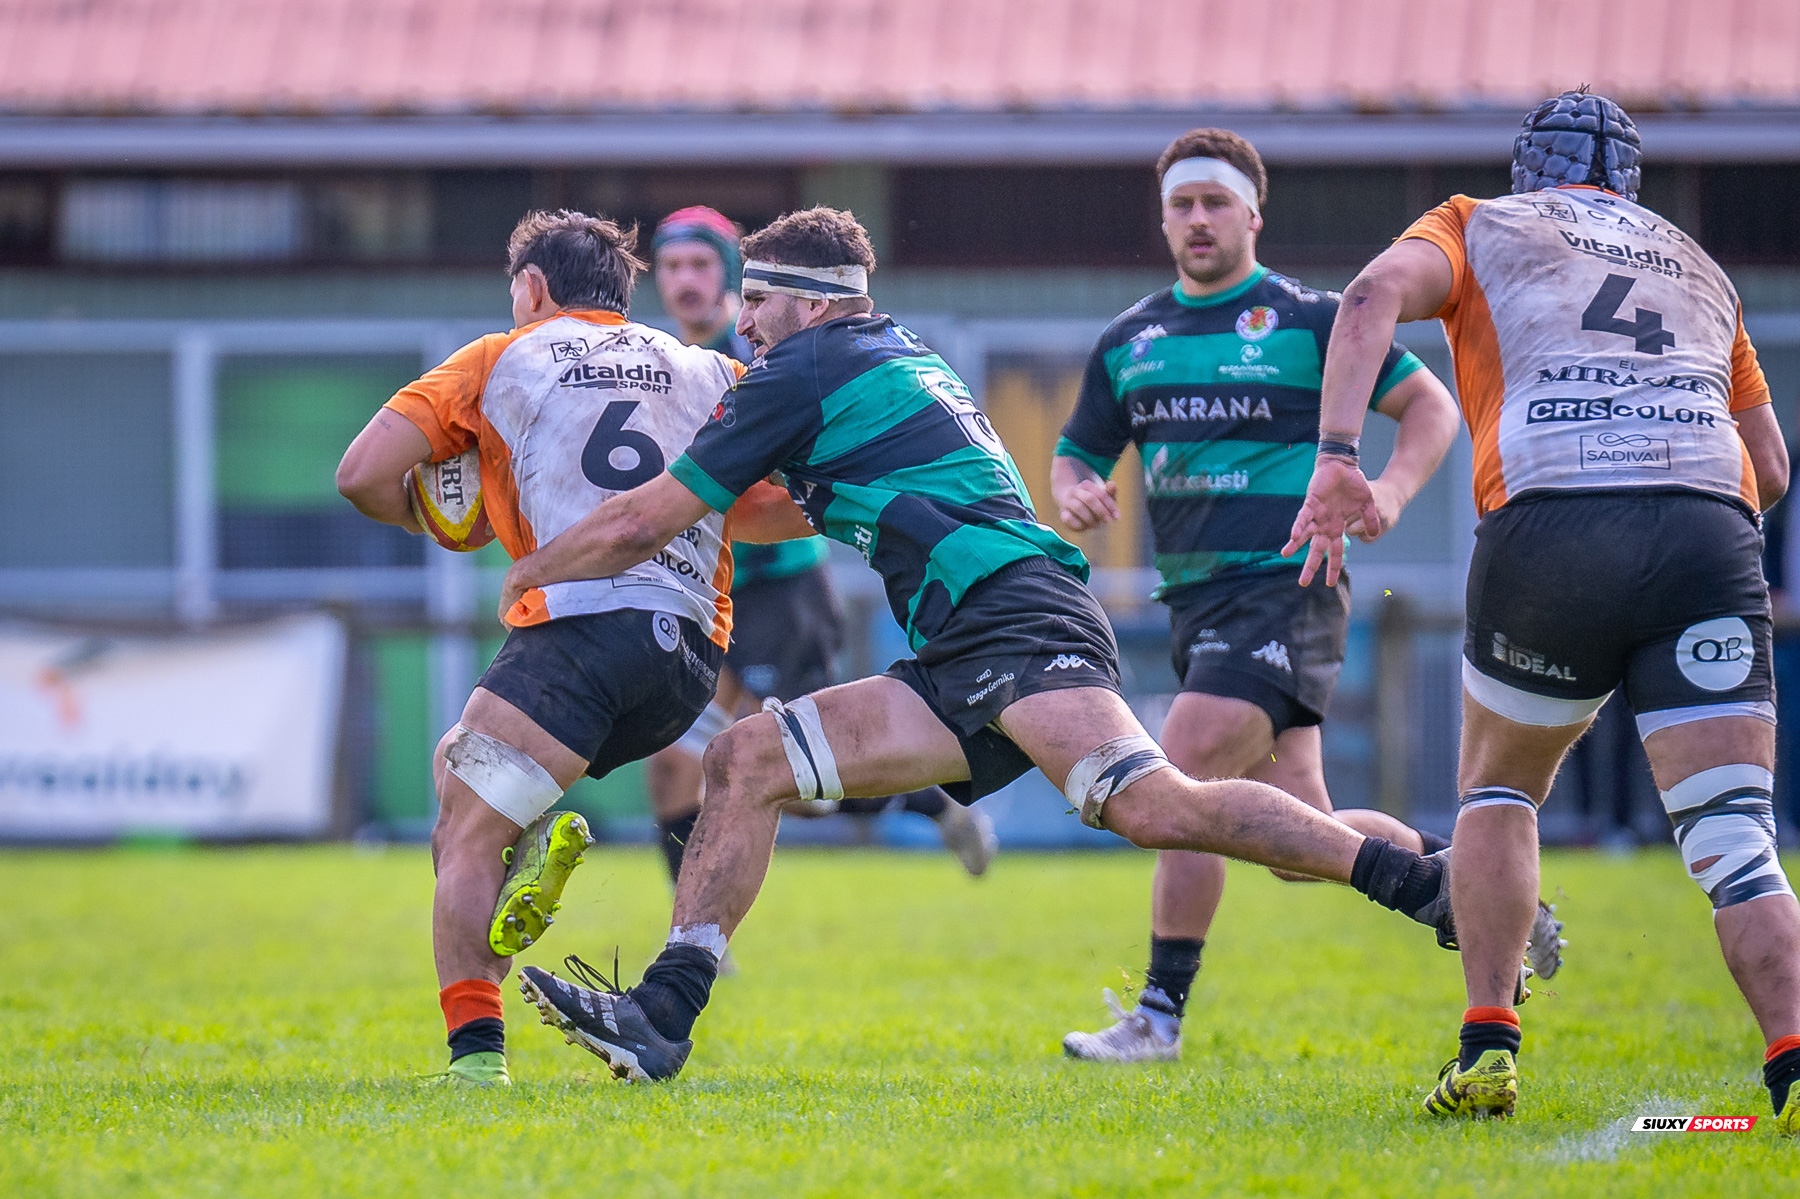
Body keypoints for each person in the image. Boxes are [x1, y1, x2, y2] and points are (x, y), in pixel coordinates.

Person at [493, 205, 1462, 1083]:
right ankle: (662, 1015)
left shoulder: (803, 369)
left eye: (756, 299)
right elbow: (770, 511)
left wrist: (535, 568)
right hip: (962, 642)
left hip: (1015, 617)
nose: (742, 321)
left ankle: (1424, 882)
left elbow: (647, 518)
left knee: (1156, 805)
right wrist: (693, 513)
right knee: (745, 757)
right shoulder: (885, 351)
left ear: (809, 301)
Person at [1285, 90, 1800, 1130]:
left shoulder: (1483, 220)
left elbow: (1370, 293)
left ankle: (1488, 1046)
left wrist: (1340, 456)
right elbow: (1772, 467)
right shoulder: (1698, 265)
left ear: (1531, 169)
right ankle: (1794, 1062)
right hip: (1708, 529)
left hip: (1551, 522)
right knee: (1737, 836)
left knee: (1500, 792)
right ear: (1634, 186)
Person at [1051, 128, 1532, 1063]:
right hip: (1198, 607)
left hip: (1288, 586)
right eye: (1181, 204)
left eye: (1215, 202)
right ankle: (1479, 880)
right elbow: (1078, 452)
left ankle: (1158, 1016)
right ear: (1162, 219)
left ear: (1252, 215)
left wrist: (1385, 492)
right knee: (1292, 840)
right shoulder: (1131, 340)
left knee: (1179, 771)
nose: (1197, 219)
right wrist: (1073, 487)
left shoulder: (1312, 322)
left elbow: (1432, 406)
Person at [335, 209, 793, 1085]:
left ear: (533, 288)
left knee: (464, 834)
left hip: (579, 632)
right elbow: (770, 507)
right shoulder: (707, 369)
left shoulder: (497, 357)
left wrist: (431, 518)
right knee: (457, 764)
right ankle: (534, 825)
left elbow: (360, 474)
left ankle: (475, 1060)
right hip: (687, 659)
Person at [644, 207, 996, 886]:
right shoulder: (666, 362)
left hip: (778, 589)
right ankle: (694, 947)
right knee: (674, 763)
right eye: (671, 265)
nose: (685, 280)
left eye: (701, 264)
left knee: (797, 777)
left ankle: (932, 801)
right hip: (701, 587)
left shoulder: (765, 347)